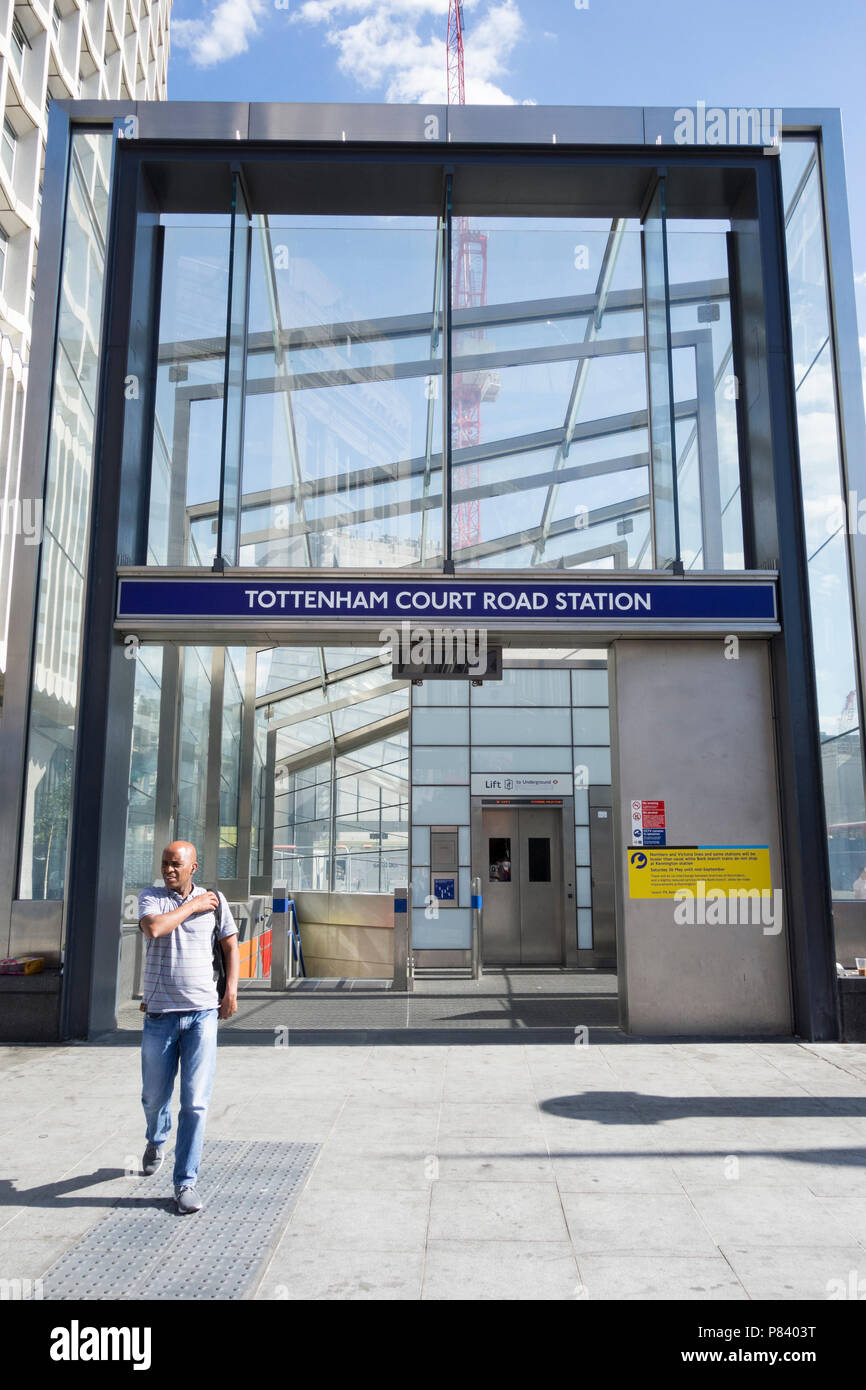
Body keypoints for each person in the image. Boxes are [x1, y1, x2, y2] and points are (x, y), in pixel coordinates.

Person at [138, 841, 239, 1214]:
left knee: (195, 1102)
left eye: (176, 865)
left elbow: (230, 946)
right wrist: (194, 905)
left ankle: (185, 1182)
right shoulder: (151, 898)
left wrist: (230, 992)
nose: (169, 870)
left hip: (202, 1014)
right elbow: (154, 929)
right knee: (153, 1096)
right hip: (160, 1016)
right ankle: (156, 1137)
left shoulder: (218, 901)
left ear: (193, 866)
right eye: (165, 864)